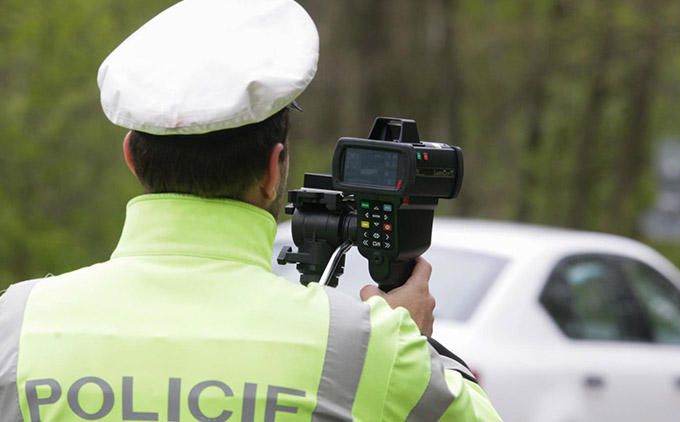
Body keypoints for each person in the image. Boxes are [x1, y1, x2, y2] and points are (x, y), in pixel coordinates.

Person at [0, 0, 502, 421]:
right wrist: (408, 347)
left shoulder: (14, 326)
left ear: (131, 157)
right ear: (273, 169)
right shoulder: (363, 349)